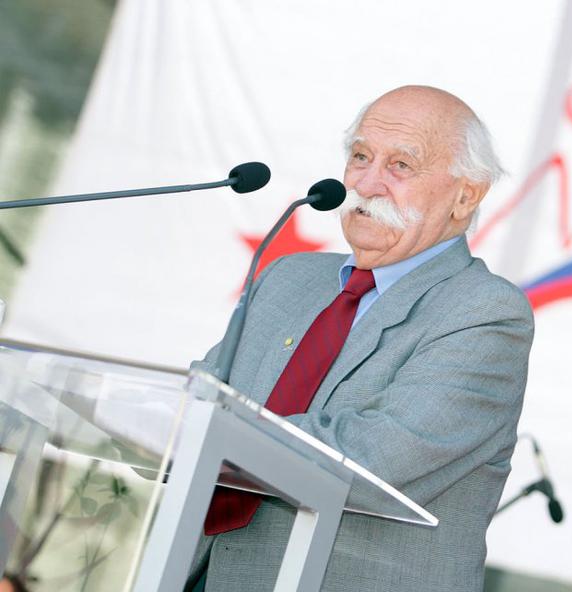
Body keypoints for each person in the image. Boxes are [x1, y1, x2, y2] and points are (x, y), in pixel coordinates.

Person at [188, 86, 534, 592]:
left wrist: (213, 432)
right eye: (360, 157)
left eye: (401, 166)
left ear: (466, 196)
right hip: (195, 572)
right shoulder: (288, 277)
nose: (366, 184)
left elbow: (376, 459)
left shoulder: (484, 312)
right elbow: (197, 403)